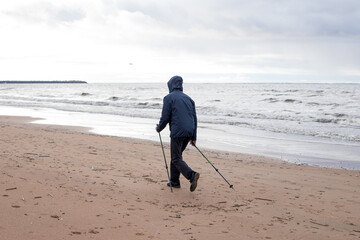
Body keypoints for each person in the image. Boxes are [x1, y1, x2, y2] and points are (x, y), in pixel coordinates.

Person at [156, 76, 200, 192]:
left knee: (176, 158)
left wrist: (159, 128)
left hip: (178, 131)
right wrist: (194, 137)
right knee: (176, 156)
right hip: (189, 131)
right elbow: (194, 119)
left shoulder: (168, 98)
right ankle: (175, 181)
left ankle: (191, 175)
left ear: (170, 85)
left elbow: (165, 117)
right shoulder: (189, 99)